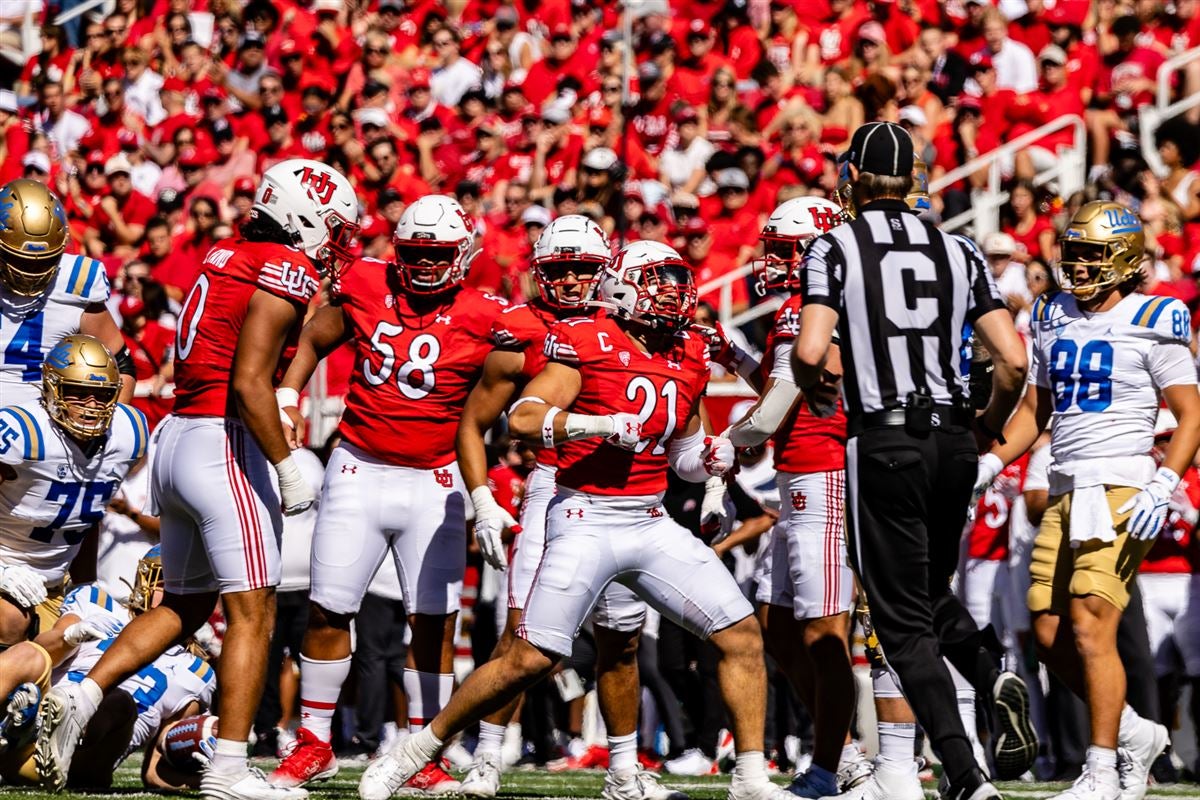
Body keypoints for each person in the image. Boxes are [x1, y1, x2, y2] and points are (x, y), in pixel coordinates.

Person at [356, 240, 790, 800]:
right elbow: (525, 417)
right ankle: (415, 751)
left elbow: (680, 448)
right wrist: (598, 425)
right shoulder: (588, 337)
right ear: (625, 287)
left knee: (740, 635)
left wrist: (709, 458)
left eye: (679, 279)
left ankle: (750, 780)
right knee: (529, 657)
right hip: (584, 515)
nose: (675, 292)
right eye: (659, 280)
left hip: (649, 519)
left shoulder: (687, 351)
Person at [36, 158, 360, 800]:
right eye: (333, 227)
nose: (335, 242)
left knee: (185, 604)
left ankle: (84, 692)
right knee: (254, 611)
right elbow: (247, 381)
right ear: (303, 216)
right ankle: (230, 769)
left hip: (179, 437)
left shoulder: (222, 254)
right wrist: (287, 463)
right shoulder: (286, 266)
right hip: (223, 440)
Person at [791, 121, 1032, 800]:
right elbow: (1011, 359)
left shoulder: (834, 245)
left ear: (856, 178)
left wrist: (810, 387)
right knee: (924, 594)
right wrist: (986, 425)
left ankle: (963, 774)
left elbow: (812, 351)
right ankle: (992, 675)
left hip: (885, 437)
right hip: (952, 438)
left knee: (900, 621)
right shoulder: (959, 249)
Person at [269, 195, 507, 793]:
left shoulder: (487, 311)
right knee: (328, 608)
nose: (426, 266)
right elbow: (317, 335)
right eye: (416, 254)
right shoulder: (369, 281)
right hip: (359, 467)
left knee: (434, 623)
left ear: (463, 255)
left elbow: (551, 350)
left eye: (438, 255)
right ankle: (314, 743)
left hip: (437, 479)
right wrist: (290, 392)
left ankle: (422, 751)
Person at [974, 200, 1199, 800]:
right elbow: (1035, 411)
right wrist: (993, 460)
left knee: (1089, 626)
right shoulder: (1051, 312)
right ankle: (1133, 732)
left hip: (1122, 487)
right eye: (1072, 251)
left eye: (1092, 253)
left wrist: (1163, 483)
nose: (1077, 264)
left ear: (1124, 258)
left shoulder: (1157, 314)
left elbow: (1191, 414)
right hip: (1066, 483)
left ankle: (1101, 770)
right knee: (1046, 635)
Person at [456, 215, 677, 800]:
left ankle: (625, 770)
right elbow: (476, 422)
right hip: (555, 483)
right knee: (521, 632)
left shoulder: (625, 321)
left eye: (584, 268)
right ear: (539, 271)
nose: (574, 280)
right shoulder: (521, 328)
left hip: (624, 489)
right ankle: (486, 757)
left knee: (621, 638)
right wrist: (482, 499)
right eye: (561, 269)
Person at [724, 196, 870, 798]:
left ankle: (832, 766)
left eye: (786, 250)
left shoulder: (812, 309)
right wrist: (731, 355)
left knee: (823, 634)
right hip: (797, 480)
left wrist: (725, 444)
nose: (773, 261)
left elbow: (776, 410)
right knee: (779, 629)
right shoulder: (801, 310)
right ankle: (845, 752)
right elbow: (785, 387)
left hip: (825, 476)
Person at [0, 546, 215, 790]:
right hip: (36, 721)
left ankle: (35, 730)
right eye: (165, 583)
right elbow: (44, 649)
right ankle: (25, 731)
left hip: (81, 763)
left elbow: (154, 772)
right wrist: (68, 638)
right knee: (30, 653)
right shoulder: (96, 601)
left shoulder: (197, 672)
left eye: (190, 587)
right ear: (144, 580)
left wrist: (211, 776)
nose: (176, 593)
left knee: (119, 701)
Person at [0, 335, 147, 650]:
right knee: (11, 618)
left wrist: (85, 586)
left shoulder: (128, 432)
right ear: (52, 388)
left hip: (54, 584)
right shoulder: (24, 431)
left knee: (102, 642)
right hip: (6, 569)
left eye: (101, 394)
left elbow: (88, 514)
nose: (92, 405)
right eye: (78, 393)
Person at [0, 179, 134, 406]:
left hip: (48, 427)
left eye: (45, 260)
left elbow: (121, 364)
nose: (32, 270)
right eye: (19, 260)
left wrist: (110, 423)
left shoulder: (76, 281)